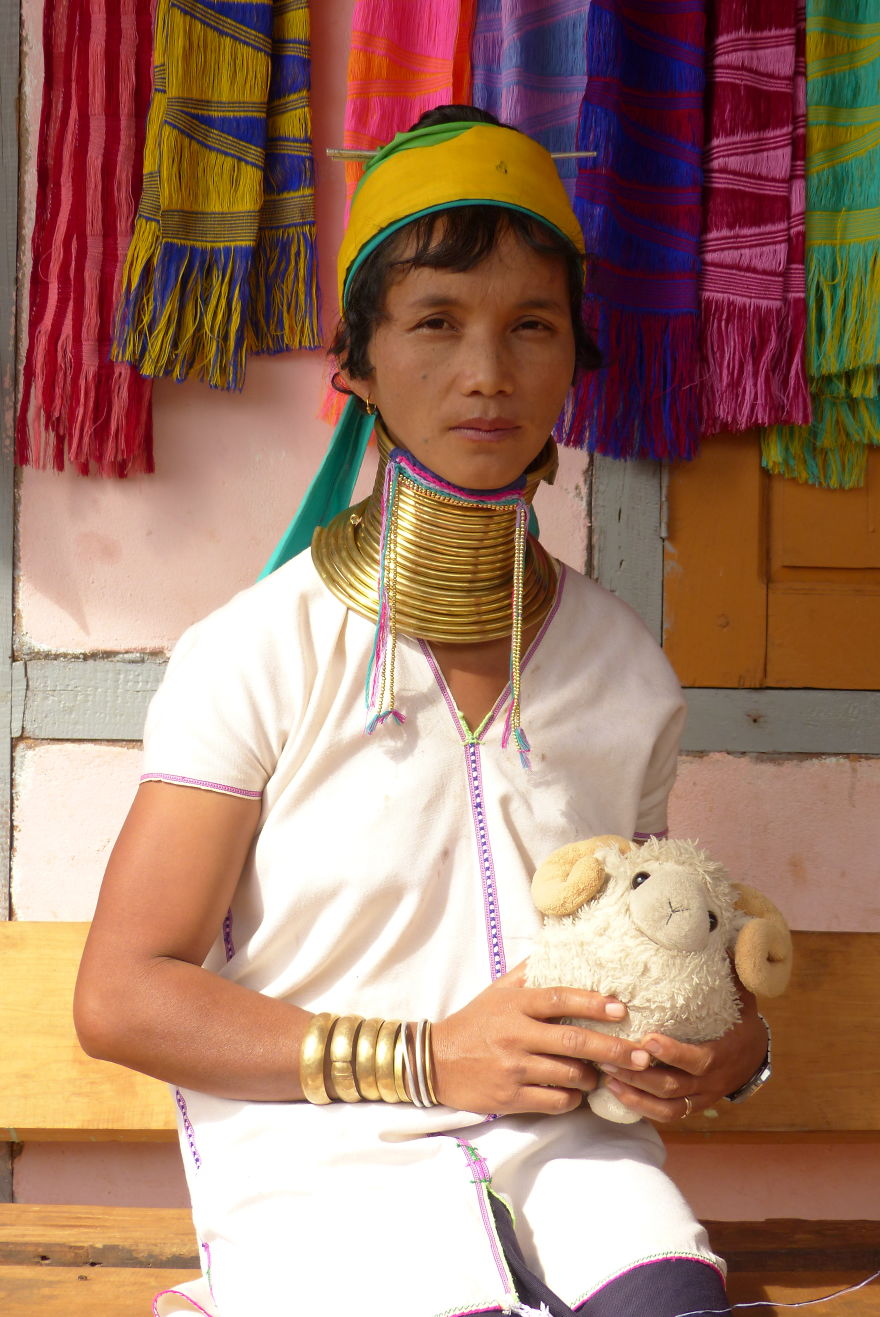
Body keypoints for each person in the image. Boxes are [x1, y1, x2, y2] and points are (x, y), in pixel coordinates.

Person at [75, 106, 769, 1317]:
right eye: (435, 323)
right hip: (322, 1166)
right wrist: (426, 1056)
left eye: (531, 328)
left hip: (575, 1164)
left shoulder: (624, 674)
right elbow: (121, 993)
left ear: (577, 360)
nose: (486, 373)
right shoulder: (255, 653)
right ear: (356, 363)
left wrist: (729, 1054)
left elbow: (665, 941)